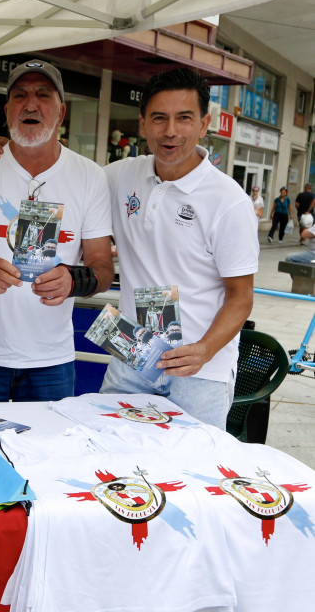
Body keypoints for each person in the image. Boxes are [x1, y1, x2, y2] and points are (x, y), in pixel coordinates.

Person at [0, 59, 114, 403]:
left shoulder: (90, 177)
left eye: (43, 94)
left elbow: (103, 268)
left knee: (48, 456)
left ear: (61, 112)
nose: (31, 104)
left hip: (52, 361)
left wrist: (75, 279)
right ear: (7, 110)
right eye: (20, 95)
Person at [99, 67, 258, 429]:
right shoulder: (120, 175)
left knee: (190, 472)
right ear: (143, 125)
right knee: (109, 452)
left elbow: (241, 297)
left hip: (199, 370)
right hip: (133, 354)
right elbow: (67, 177)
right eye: (159, 118)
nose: (170, 131)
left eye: (184, 118)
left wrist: (204, 351)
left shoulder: (228, 201)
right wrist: (3, 149)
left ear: (204, 124)